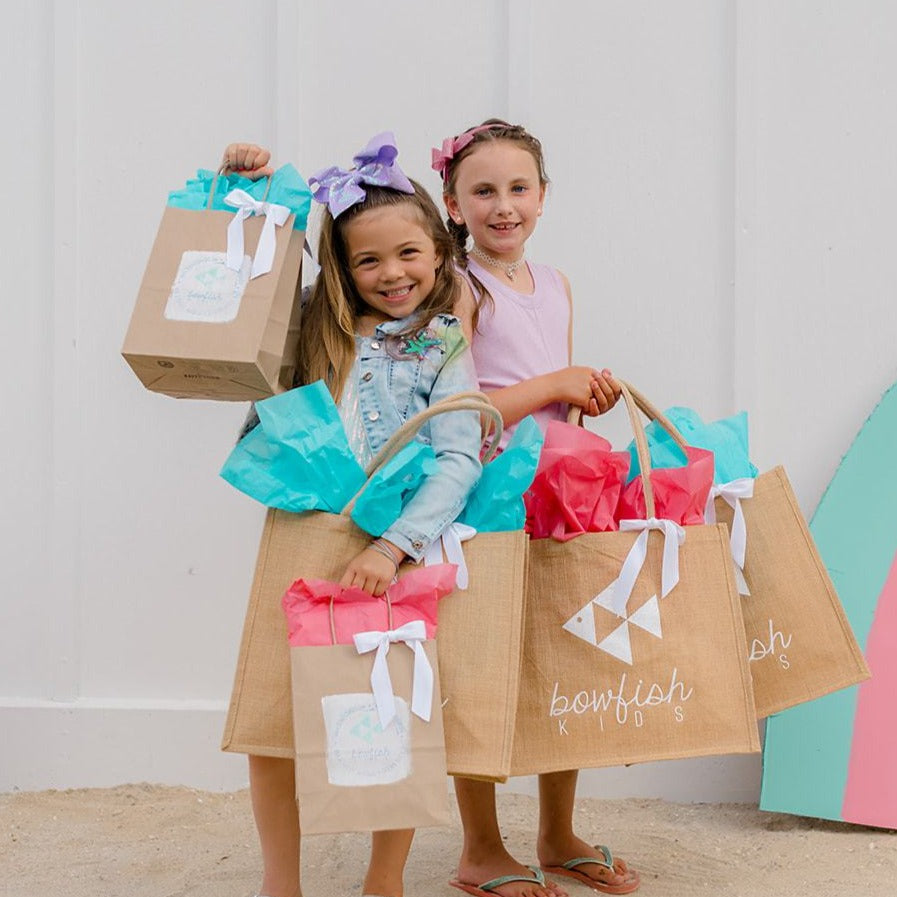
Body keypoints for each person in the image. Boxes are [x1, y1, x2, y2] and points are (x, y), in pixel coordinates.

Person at [221, 133, 484, 897]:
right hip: (302, 536)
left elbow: (458, 457)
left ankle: (384, 880)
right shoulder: (310, 321)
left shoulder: (440, 342)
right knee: (274, 719)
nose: (391, 273)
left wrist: (394, 546)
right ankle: (281, 883)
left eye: (408, 253)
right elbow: (252, 273)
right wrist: (254, 189)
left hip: (389, 552)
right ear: (340, 267)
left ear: (438, 251)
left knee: (389, 714)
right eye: (367, 260)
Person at [432, 119, 640, 897]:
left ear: (543, 196)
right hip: (488, 494)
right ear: (452, 204)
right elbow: (459, 407)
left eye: (518, 188)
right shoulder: (458, 286)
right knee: (483, 662)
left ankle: (556, 832)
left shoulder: (553, 283)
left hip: (557, 493)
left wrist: (582, 394)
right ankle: (480, 845)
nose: (503, 205)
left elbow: (556, 401)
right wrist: (555, 383)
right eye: (482, 190)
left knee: (563, 652)